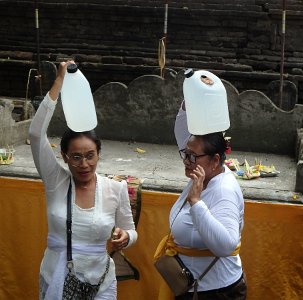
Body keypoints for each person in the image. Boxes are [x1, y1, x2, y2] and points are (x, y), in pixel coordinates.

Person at [29, 61, 137, 300]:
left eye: (90, 156)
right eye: (76, 157)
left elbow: (130, 230)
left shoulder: (115, 188)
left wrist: (126, 237)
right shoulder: (56, 181)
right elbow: (36, 135)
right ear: (64, 157)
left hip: (101, 281)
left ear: (99, 154)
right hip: (57, 277)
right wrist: (59, 82)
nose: (84, 164)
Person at [155, 99, 247, 299]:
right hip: (192, 285)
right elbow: (184, 132)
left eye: (192, 156)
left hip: (216, 292)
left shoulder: (224, 191)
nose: (187, 161)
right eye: (185, 155)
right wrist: (191, 98)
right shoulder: (202, 169)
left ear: (215, 160)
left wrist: (196, 203)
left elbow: (226, 245)